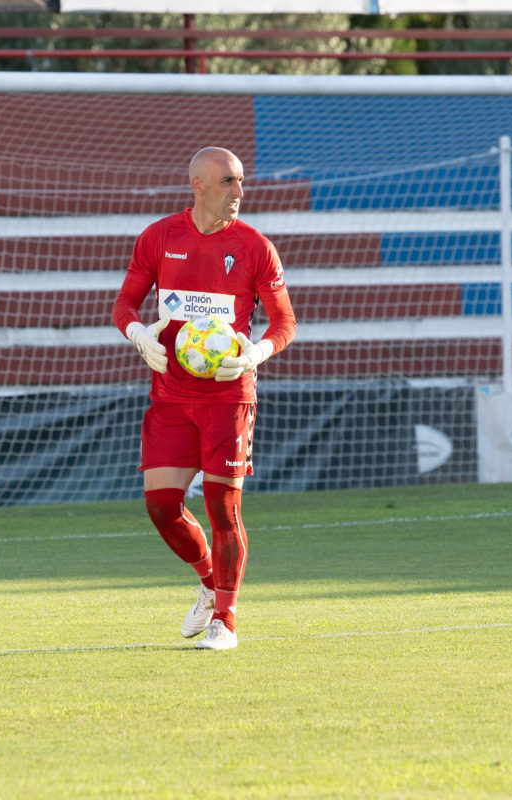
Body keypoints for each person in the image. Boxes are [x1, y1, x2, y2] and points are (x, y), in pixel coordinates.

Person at [111, 146, 296, 651]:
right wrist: (137, 334)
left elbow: (285, 322)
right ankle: (211, 583)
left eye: (240, 181)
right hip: (170, 394)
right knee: (161, 506)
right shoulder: (159, 237)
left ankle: (226, 622)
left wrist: (256, 352)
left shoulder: (255, 246)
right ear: (198, 185)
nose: (240, 192)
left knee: (222, 503)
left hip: (228, 396)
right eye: (228, 182)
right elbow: (125, 301)